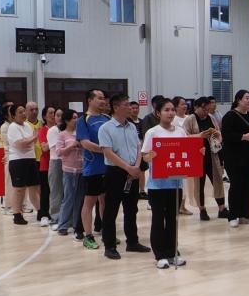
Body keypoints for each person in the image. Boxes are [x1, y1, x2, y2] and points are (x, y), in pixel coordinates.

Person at [140, 98, 193, 268]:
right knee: (158, 219)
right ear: (158, 113)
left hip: (175, 183)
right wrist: (152, 155)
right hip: (157, 185)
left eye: (172, 110)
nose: (170, 113)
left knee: (172, 219)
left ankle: (172, 252)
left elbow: (186, 152)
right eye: (166, 110)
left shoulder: (180, 131)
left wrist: (198, 151)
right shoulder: (152, 132)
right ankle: (160, 255)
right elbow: (144, 156)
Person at [97, 93, 148, 260]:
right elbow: (108, 152)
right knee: (111, 210)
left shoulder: (132, 126)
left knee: (131, 209)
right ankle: (110, 246)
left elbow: (138, 147)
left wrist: (136, 167)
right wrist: (128, 168)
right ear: (116, 107)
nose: (130, 108)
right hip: (115, 173)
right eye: (126, 105)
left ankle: (132, 241)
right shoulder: (106, 128)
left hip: (133, 172)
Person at [76, 88, 110, 249]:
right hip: (93, 169)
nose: (103, 101)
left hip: (109, 167)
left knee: (105, 201)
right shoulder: (83, 120)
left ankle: (106, 232)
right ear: (89, 100)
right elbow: (85, 143)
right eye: (99, 98)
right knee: (89, 202)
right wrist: (106, 150)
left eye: (104, 98)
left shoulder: (107, 118)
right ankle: (88, 236)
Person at [221, 90, 249, 227]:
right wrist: (242, 137)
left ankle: (245, 215)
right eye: (246, 98)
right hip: (233, 158)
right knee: (236, 186)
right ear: (238, 100)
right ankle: (233, 215)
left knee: (247, 187)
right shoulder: (230, 116)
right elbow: (226, 135)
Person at [6, 103, 40, 224]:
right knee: (19, 189)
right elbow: (20, 144)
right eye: (20, 112)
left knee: (34, 187)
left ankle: (40, 212)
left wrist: (29, 140)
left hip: (30, 159)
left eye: (24, 111)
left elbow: (28, 143)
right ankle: (17, 214)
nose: (24, 114)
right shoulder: (13, 127)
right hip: (18, 160)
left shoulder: (27, 126)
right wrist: (33, 138)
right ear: (13, 116)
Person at [54, 109, 82, 236]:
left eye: (77, 117)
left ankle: (77, 224)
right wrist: (72, 145)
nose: (76, 120)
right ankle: (63, 225)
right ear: (67, 120)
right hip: (69, 170)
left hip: (81, 170)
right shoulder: (62, 135)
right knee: (68, 198)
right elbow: (59, 152)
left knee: (79, 199)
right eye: (74, 118)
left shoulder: (80, 133)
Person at [36, 106, 56, 226]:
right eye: (50, 113)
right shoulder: (43, 130)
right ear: (44, 116)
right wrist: (56, 139)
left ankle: (57, 214)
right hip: (46, 164)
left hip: (59, 164)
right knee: (45, 191)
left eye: (54, 113)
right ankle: (43, 214)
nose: (53, 115)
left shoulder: (60, 129)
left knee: (58, 191)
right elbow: (44, 148)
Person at [46, 107, 63, 227]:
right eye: (57, 115)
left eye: (62, 115)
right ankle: (55, 217)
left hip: (69, 162)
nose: (60, 118)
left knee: (67, 192)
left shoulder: (70, 130)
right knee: (56, 191)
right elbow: (57, 149)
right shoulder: (52, 130)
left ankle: (67, 218)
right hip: (56, 162)